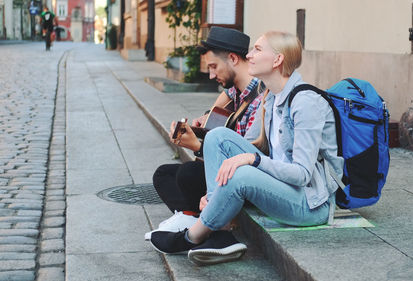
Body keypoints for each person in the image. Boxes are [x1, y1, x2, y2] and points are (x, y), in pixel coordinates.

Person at [148, 31, 344, 266]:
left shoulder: (305, 103)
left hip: (311, 203)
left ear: (277, 60)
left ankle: (194, 236)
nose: (249, 55)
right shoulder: (271, 97)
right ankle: (218, 227)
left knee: (242, 172)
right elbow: (246, 144)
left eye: (258, 50)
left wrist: (252, 159)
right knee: (218, 137)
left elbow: (301, 174)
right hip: (283, 186)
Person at [146, 27, 263, 239]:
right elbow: (220, 107)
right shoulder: (236, 90)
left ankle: (200, 220)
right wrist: (205, 119)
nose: (210, 75)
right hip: (224, 171)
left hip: (244, 179)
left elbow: (243, 160)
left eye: (213, 67)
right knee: (163, 174)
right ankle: (190, 216)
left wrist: (198, 147)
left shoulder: (259, 100)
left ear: (233, 59)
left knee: (188, 174)